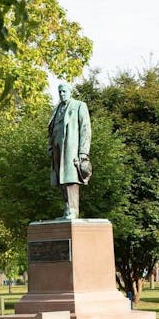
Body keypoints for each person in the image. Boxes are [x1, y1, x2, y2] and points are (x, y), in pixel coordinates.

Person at [48, 82, 92, 219]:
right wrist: (50, 147)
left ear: (70, 92)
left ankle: (73, 210)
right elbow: (51, 130)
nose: (62, 94)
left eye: (64, 91)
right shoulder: (56, 109)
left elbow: (85, 129)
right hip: (57, 148)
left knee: (70, 178)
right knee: (61, 179)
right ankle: (67, 209)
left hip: (71, 149)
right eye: (59, 91)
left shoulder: (79, 106)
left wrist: (83, 152)